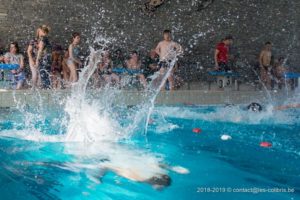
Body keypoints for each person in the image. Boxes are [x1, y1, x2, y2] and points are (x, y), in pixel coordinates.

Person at [35, 25, 52, 89]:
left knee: (43, 74)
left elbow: (40, 50)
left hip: (44, 59)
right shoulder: (46, 39)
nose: (38, 32)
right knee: (47, 74)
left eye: (39, 31)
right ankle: (47, 88)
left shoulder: (43, 38)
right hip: (48, 58)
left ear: (42, 31)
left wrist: (37, 60)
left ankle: (46, 89)